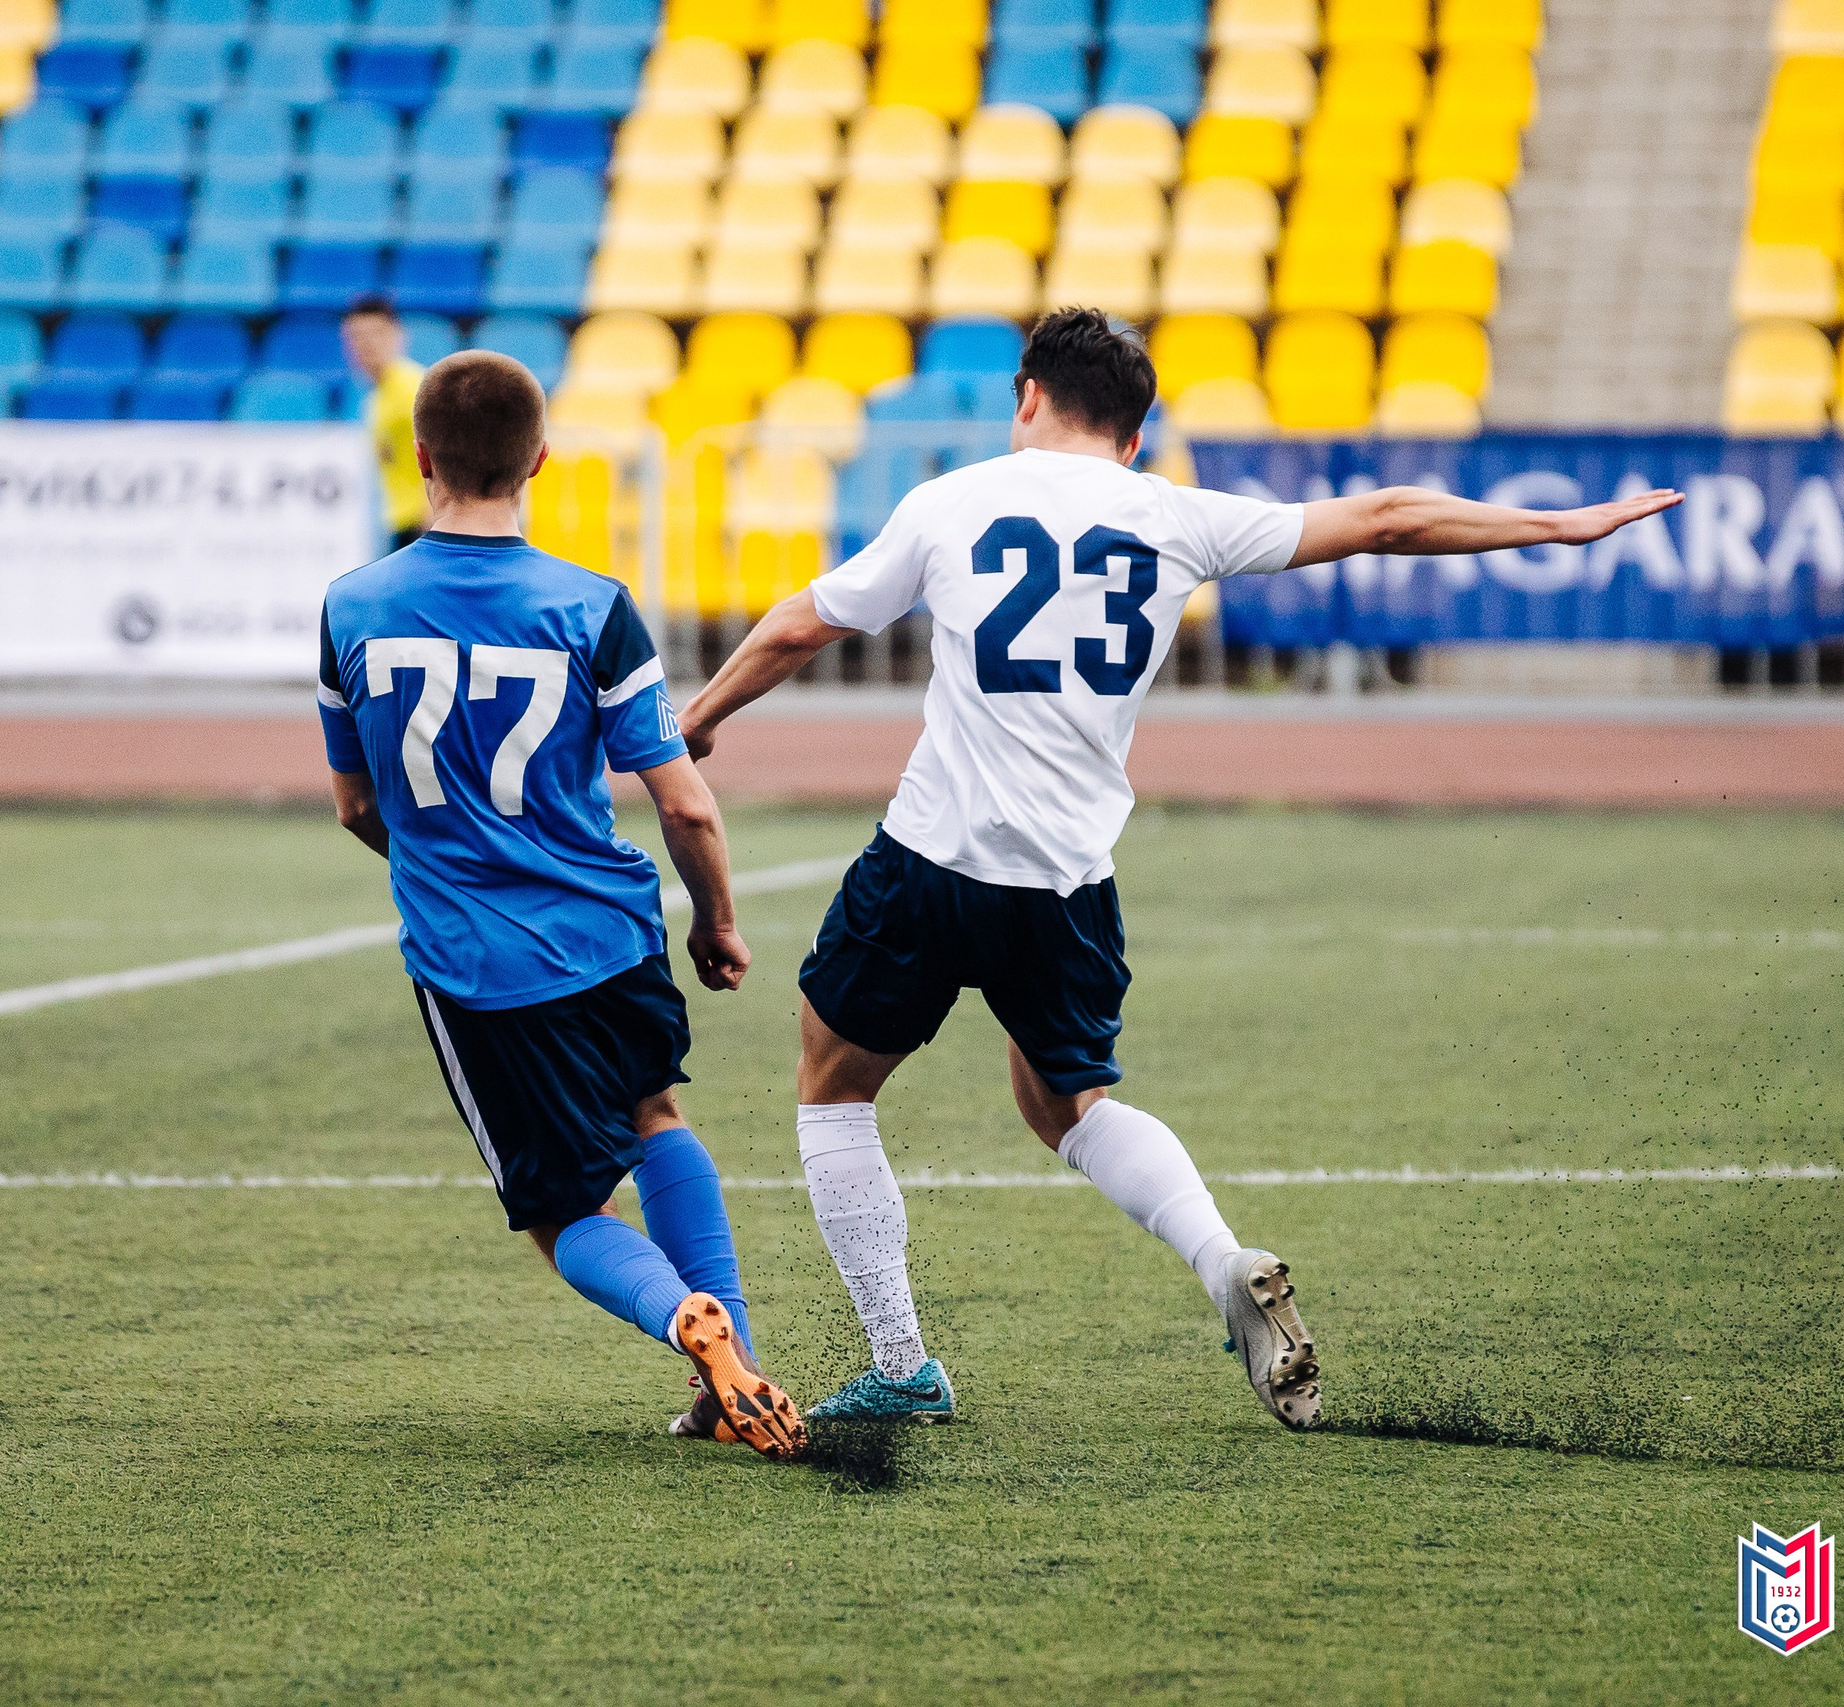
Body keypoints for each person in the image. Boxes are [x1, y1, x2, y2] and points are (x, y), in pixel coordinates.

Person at [679, 308, 1682, 1432]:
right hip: (1068, 879)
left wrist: (703, 717)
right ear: (1137, 429)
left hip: (933, 857)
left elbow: (803, 625)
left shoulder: (950, 502)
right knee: (1068, 1105)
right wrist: (1557, 524)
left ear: (1025, 398)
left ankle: (904, 1364)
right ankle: (1219, 1260)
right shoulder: (1176, 518)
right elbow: (1392, 519)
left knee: (831, 1083)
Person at [319, 350, 807, 1461]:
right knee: (656, 1120)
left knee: (556, 1214)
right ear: (539, 460)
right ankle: (734, 1356)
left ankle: (686, 1329)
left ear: (421, 457)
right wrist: (715, 921)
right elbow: (682, 803)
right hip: (611, 932)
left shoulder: (350, 609)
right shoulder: (594, 608)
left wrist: (444, 856)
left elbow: (354, 805)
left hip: (474, 962)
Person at [342, 296, 429, 553]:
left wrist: (433, 513)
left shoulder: (410, 388)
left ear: (398, 336)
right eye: (356, 336)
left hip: (422, 523)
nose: (366, 344)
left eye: (376, 334)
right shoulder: (377, 396)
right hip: (401, 521)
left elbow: (452, 447)